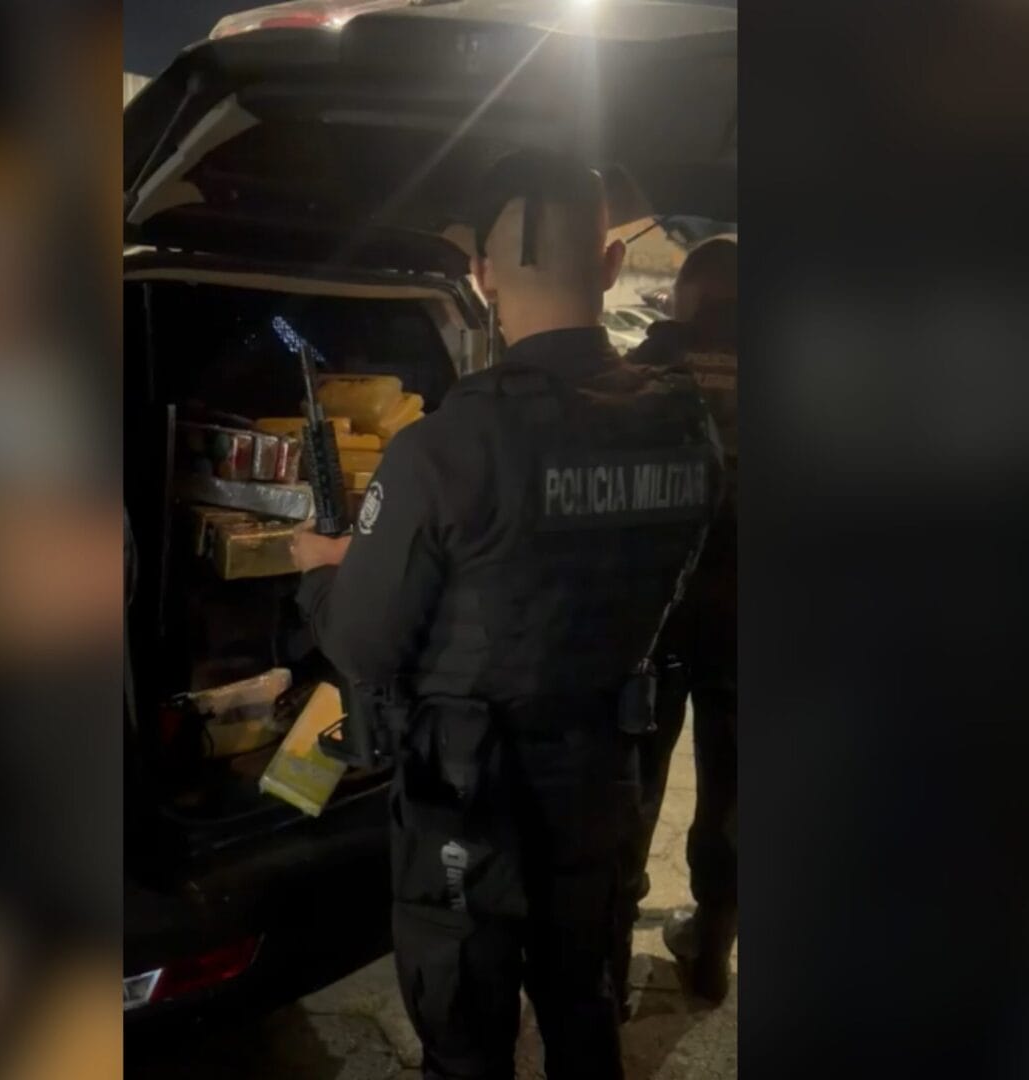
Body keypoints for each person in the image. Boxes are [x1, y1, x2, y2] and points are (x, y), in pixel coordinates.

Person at [289, 150, 721, 1080]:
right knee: (584, 1013)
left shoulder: (446, 446)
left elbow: (362, 642)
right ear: (610, 265)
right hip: (602, 777)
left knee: (466, 1043)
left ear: (483, 275)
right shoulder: (687, 427)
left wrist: (321, 571)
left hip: (467, 800)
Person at [621, 235, 740, 1005]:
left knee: (633, 778)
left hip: (654, 615)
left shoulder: (643, 373)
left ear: (685, 294)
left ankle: (606, 950)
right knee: (735, 790)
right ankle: (710, 952)